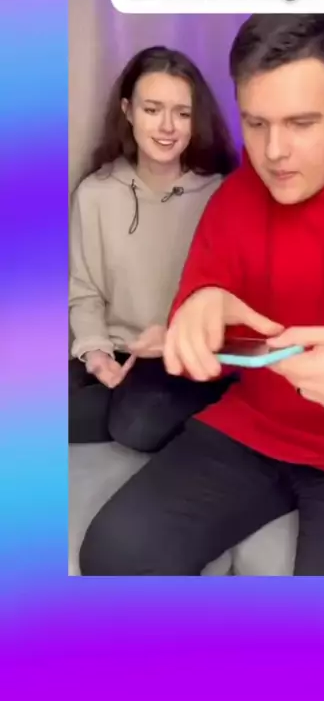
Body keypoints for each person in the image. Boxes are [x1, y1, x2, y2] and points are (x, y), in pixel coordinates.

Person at [79, 14, 324, 576]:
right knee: (116, 553)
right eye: (255, 123)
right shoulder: (235, 196)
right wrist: (198, 308)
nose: (273, 151)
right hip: (253, 428)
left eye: (301, 123)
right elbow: (201, 314)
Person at [69, 46, 238, 451]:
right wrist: (95, 353)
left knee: (138, 425)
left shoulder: (221, 194)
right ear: (127, 111)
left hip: (181, 359)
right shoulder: (95, 194)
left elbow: (232, 299)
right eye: (152, 109)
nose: (167, 127)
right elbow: (85, 293)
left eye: (182, 113)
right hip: (115, 352)